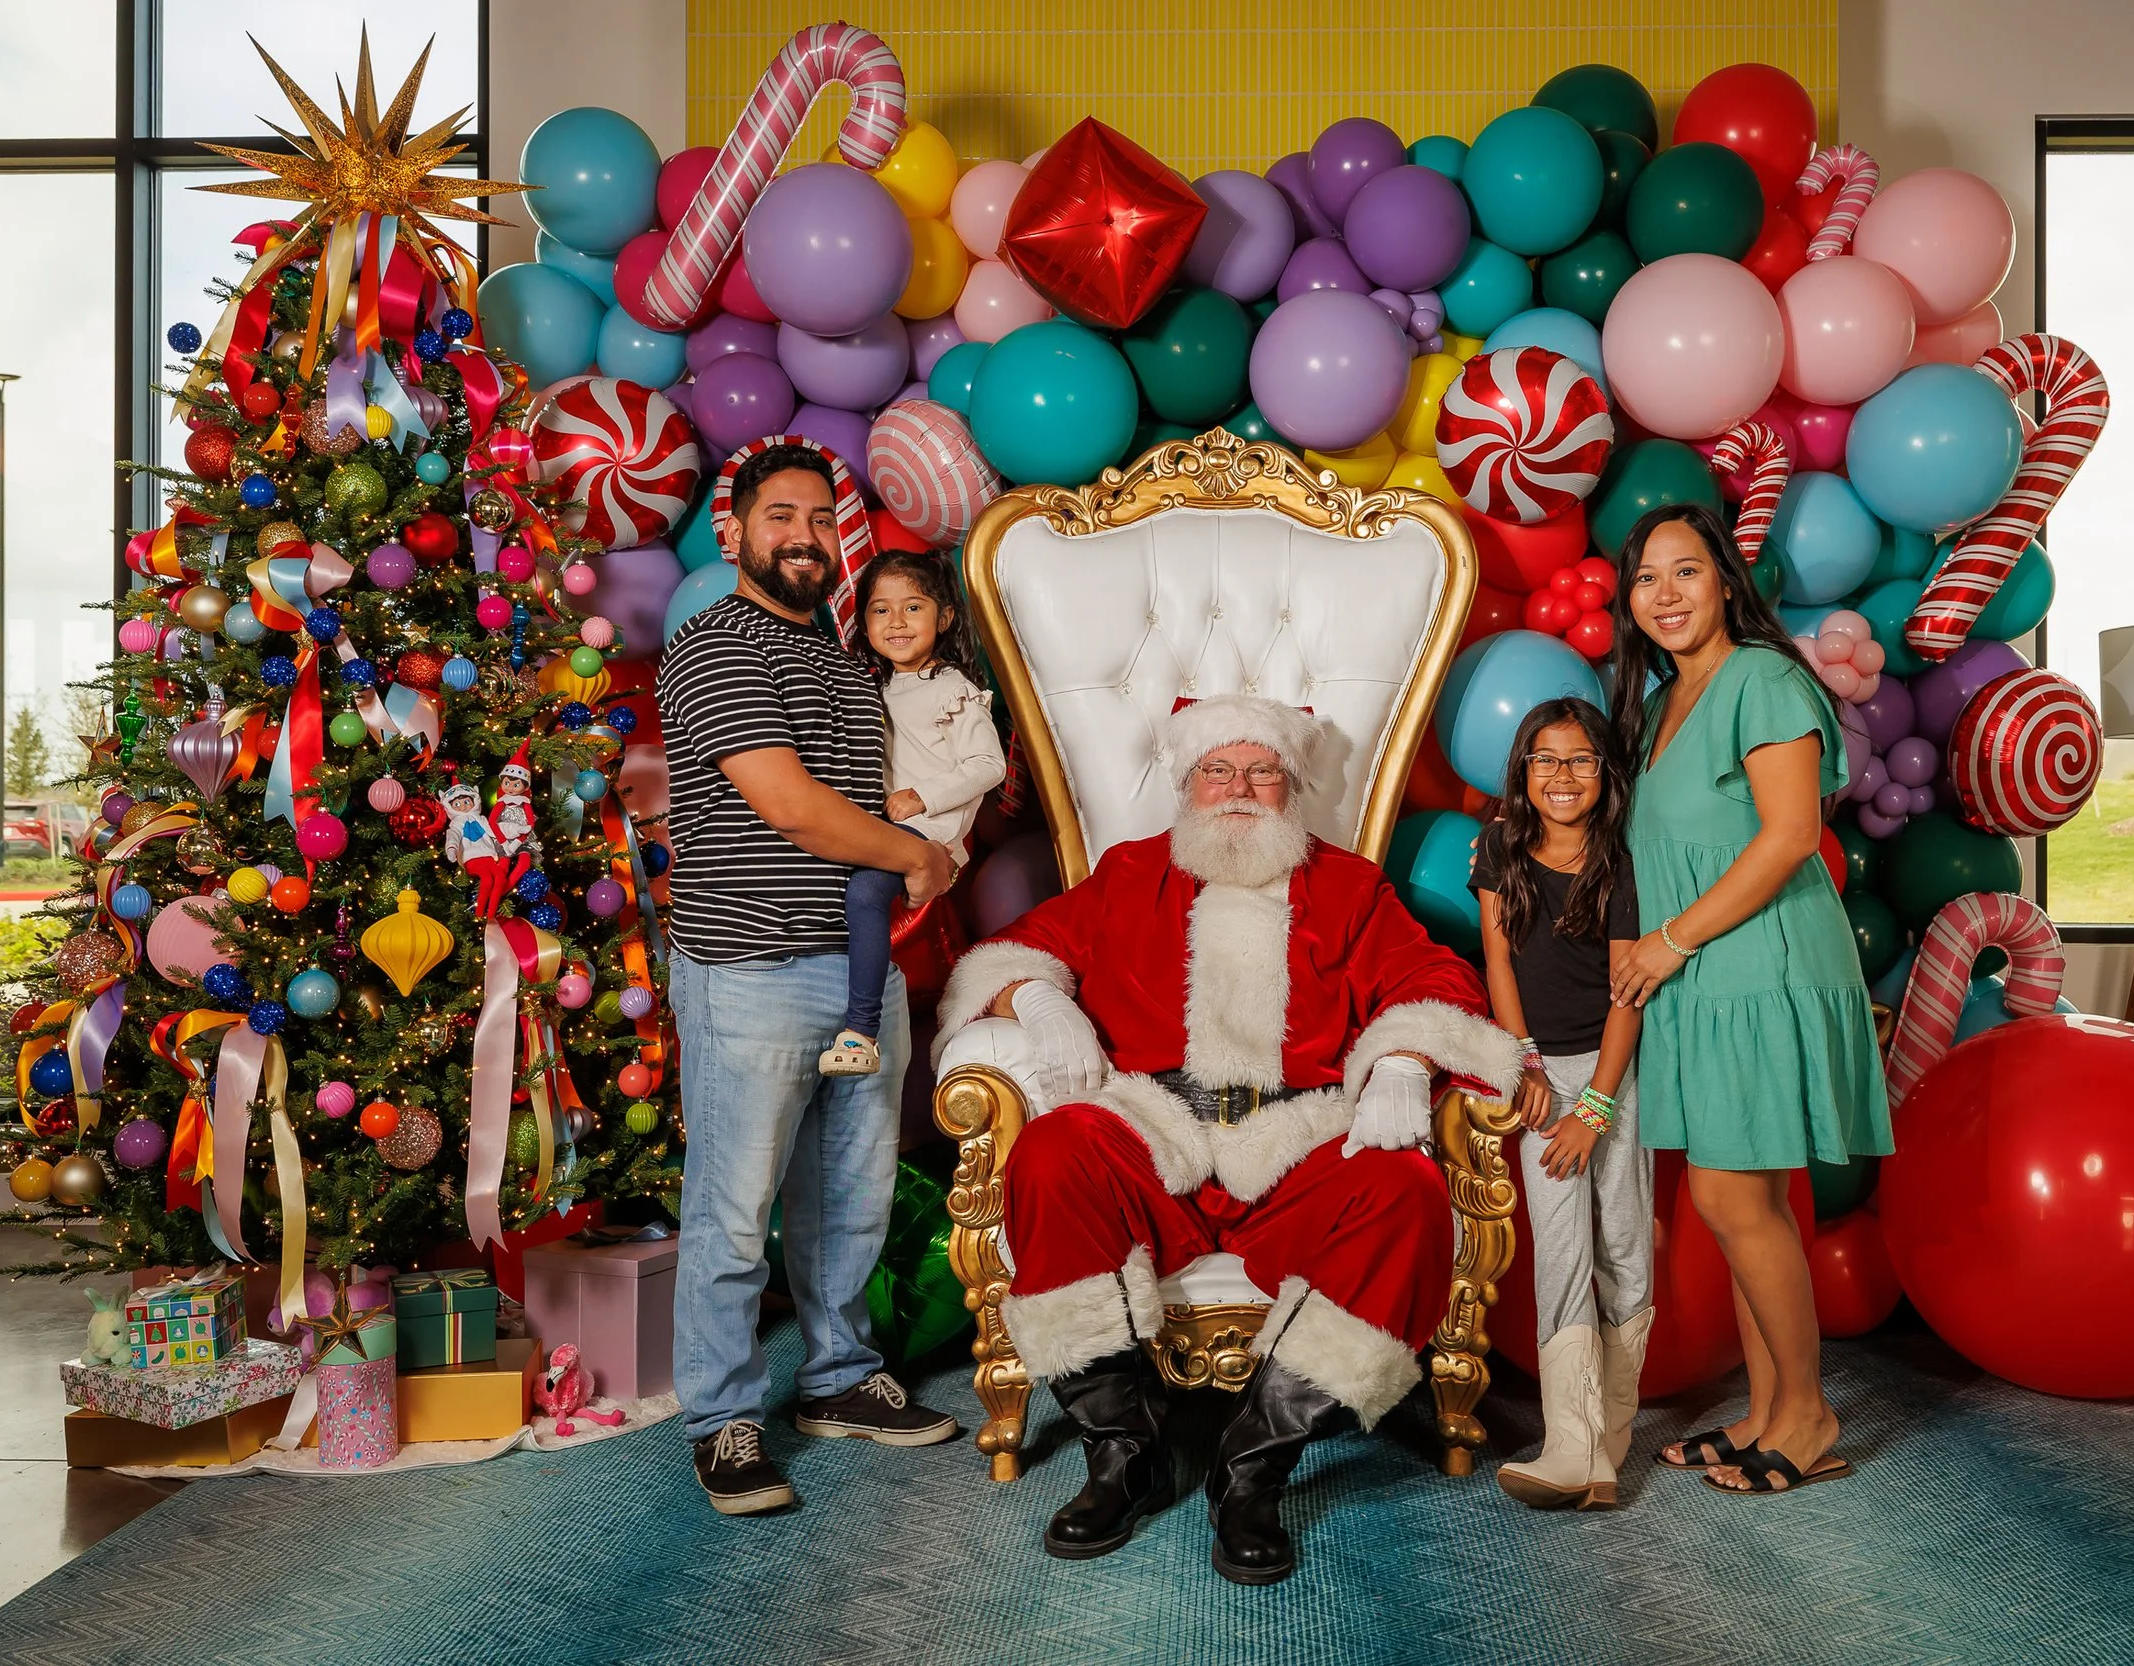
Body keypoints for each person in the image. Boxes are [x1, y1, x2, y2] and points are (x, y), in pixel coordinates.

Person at [934, 695, 1520, 1585]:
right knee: (1051, 1155)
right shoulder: (1131, 873)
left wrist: (1402, 1059)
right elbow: (1015, 950)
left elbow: (1429, 974)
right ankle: (1122, 1456)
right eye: (1218, 770)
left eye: (1261, 772)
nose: (1238, 790)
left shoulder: (1349, 886)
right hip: (1155, 1125)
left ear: (1291, 786)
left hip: (1296, 1135)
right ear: (1187, 783)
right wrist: (1038, 1000)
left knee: (1405, 1190)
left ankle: (1250, 1470)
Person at [656, 442, 961, 1517]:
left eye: (822, 518)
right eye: (780, 515)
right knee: (735, 1214)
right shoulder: (712, 648)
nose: (805, 534)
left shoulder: (840, 661)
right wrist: (915, 854)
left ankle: (837, 1379)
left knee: (849, 1198)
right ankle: (724, 1418)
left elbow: (880, 786)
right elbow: (788, 804)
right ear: (732, 533)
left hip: (857, 972)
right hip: (751, 970)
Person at [1604, 501, 1894, 1498]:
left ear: (1726, 580)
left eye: (1685, 571)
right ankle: (1768, 1411)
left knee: (1733, 1198)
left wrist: (1670, 941)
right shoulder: (1660, 698)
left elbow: (1783, 838)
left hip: (1756, 962)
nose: (1665, 594)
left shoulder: (1762, 679)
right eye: (1645, 579)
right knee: (1742, 1204)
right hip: (1699, 974)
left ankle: (1806, 1410)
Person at [1471, 696, 1654, 1511]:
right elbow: (1500, 967)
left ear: (1603, 773)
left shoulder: (1621, 860)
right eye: (1545, 759)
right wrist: (1527, 1067)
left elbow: (1627, 995)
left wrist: (1596, 1110)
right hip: (1541, 1072)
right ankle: (1569, 1444)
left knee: (1621, 1243)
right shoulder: (1498, 847)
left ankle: (1607, 1442)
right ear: (1523, 770)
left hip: (1614, 1072)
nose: (1562, 775)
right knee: (1561, 1249)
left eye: (1580, 759)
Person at [820, 550, 1003, 1078]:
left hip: (927, 828)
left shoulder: (955, 690)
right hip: (886, 823)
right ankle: (839, 1008)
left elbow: (988, 764)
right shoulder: (872, 687)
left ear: (943, 617)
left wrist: (922, 796)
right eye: (881, 610)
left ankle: (861, 1030)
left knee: (865, 892)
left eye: (913, 607)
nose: (896, 622)